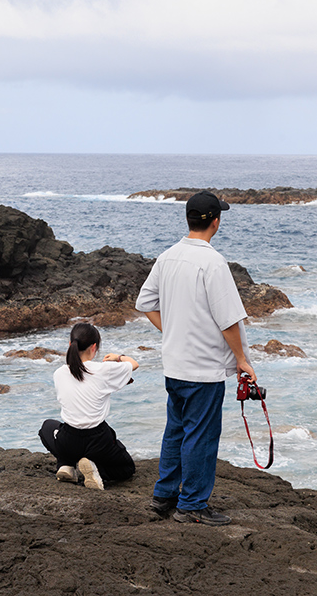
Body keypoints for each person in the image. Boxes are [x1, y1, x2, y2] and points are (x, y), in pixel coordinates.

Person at [135, 190, 256, 526]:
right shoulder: (213, 262)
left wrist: (172, 330)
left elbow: (145, 303)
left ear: (189, 218)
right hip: (204, 368)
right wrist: (242, 359)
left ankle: (164, 496)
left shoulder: (167, 256)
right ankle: (191, 505)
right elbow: (229, 320)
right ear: (215, 222)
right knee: (200, 436)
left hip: (175, 363)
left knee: (176, 430)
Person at [38, 322, 139, 490]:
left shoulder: (59, 373)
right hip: (99, 441)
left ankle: (67, 465)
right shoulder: (104, 370)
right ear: (94, 347)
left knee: (46, 427)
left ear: (70, 345)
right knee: (127, 468)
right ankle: (95, 470)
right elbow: (134, 364)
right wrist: (117, 357)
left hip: (69, 441)